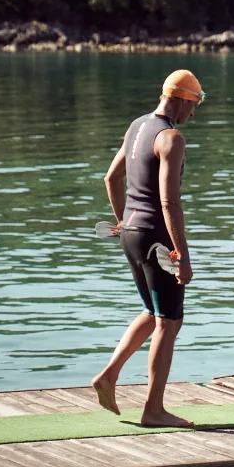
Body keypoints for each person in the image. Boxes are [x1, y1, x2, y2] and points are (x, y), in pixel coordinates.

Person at [91, 70, 204, 428]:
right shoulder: (172, 138)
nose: (193, 114)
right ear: (183, 99)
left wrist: (123, 221)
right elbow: (170, 203)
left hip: (130, 231)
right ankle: (154, 410)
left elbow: (112, 179)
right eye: (194, 105)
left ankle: (109, 375)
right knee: (169, 322)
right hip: (156, 235)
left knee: (151, 310)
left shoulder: (137, 127)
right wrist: (182, 255)